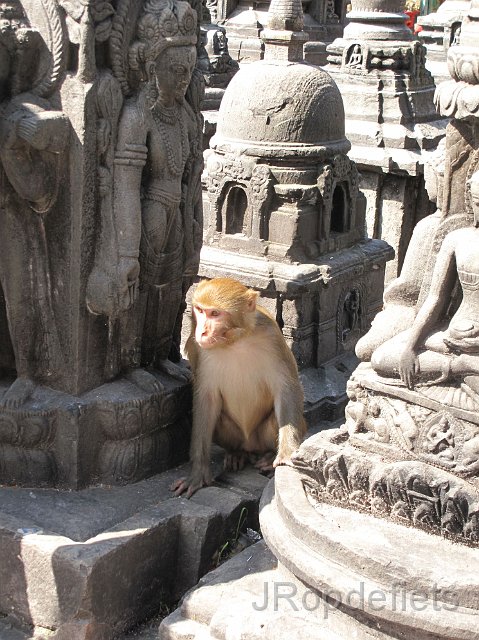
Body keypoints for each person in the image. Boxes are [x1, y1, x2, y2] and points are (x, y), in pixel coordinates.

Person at [112, 0, 202, 390]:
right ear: (153, 69)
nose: (184, 80)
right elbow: (126, 186)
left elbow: (192, 178)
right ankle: (131, 363)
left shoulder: (184, 115)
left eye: (189, 72)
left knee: (173, 290)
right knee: (143, 288)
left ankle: (160, 355)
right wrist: (126, 251)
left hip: (179, 213)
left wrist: (196, 229)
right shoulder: (138, 116)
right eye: (176, 71)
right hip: (148, 211)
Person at [372, 170, 479, 392]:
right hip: (454, 336)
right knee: (381, 358)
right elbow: (435, 298)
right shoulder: (458, 239)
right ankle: (460, 367)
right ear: (470, 200)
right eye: (478, 203)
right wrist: (411, 346)